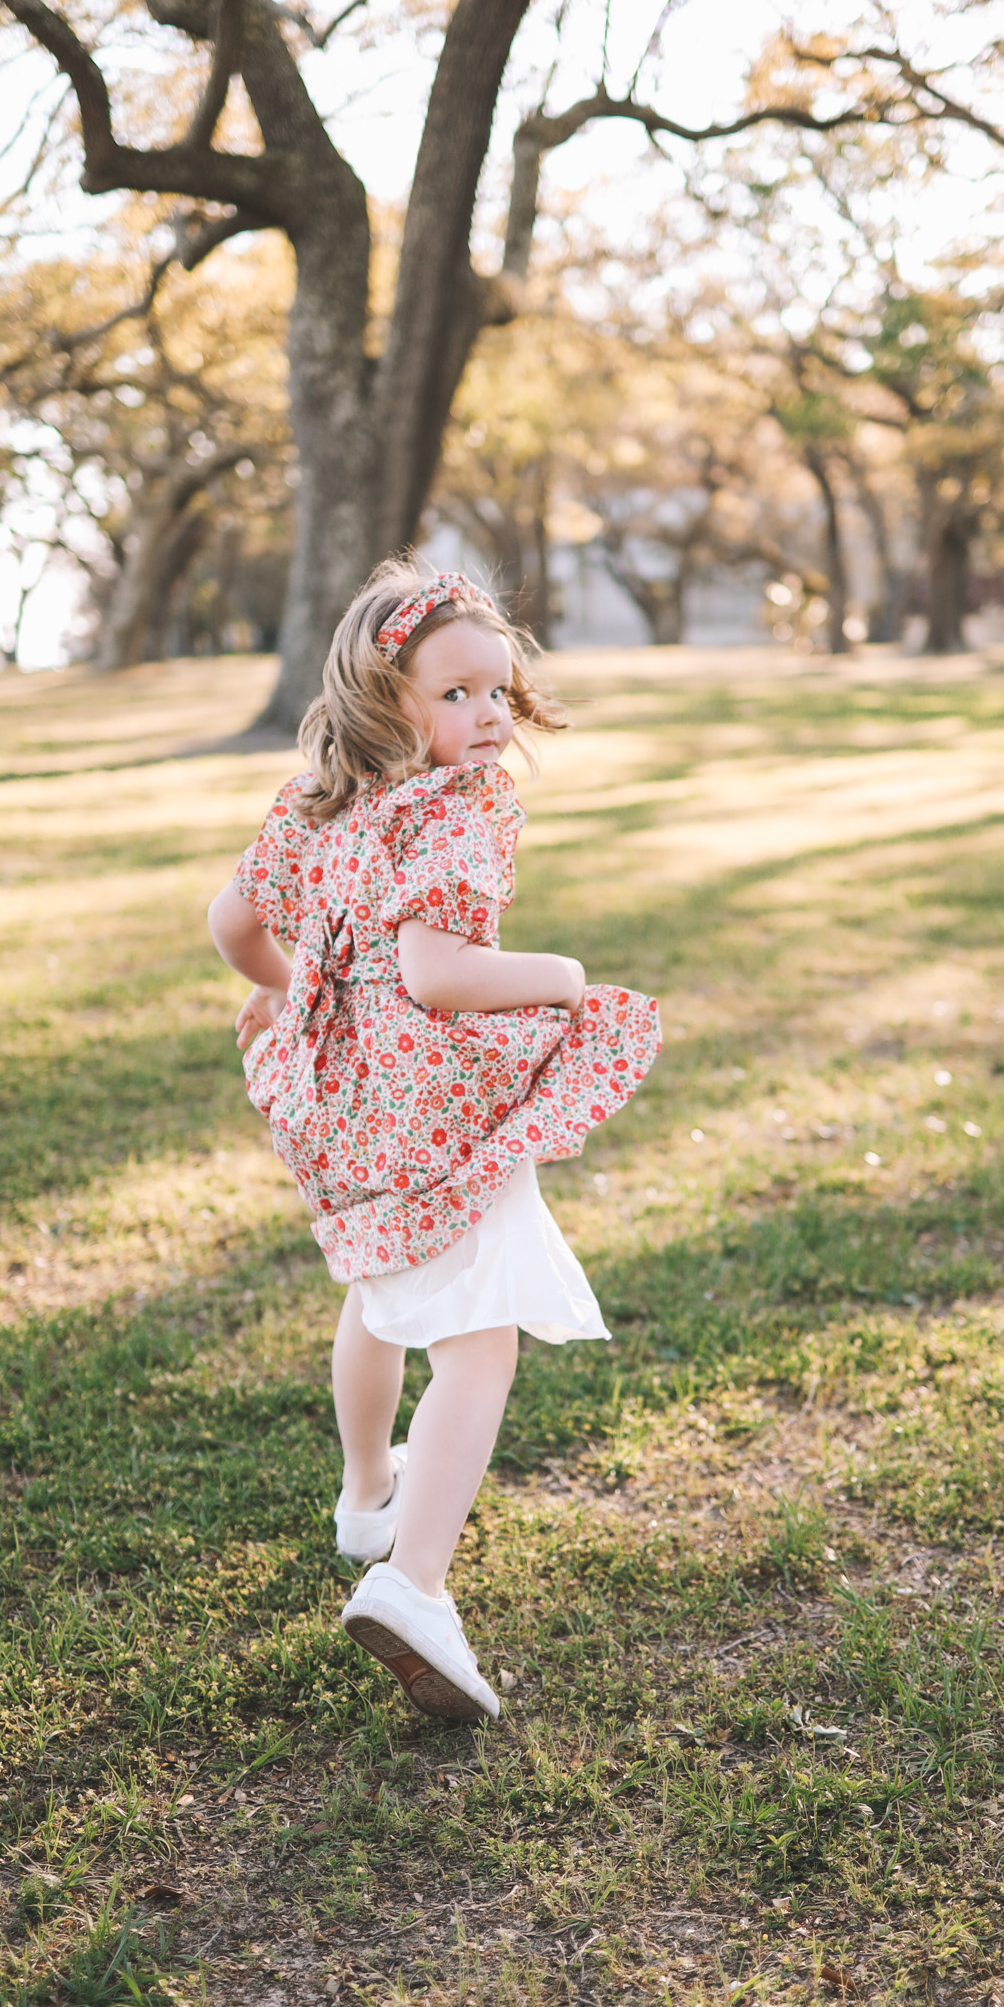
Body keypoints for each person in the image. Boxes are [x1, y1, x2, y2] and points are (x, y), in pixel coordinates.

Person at [207, 560, 660, 1726]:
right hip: (439, 1110)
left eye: (497, 693)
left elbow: (233, 922)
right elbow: (436, 973)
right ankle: (410, 1583)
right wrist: (561, 977)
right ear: (385, 695)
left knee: (376, 1284)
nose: (488, 720)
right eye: (455, 695)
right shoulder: (463, 809)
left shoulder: (318, 797)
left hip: (344, 1104)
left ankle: (369, 1497)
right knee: (480, 1340)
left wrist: (289, 990)